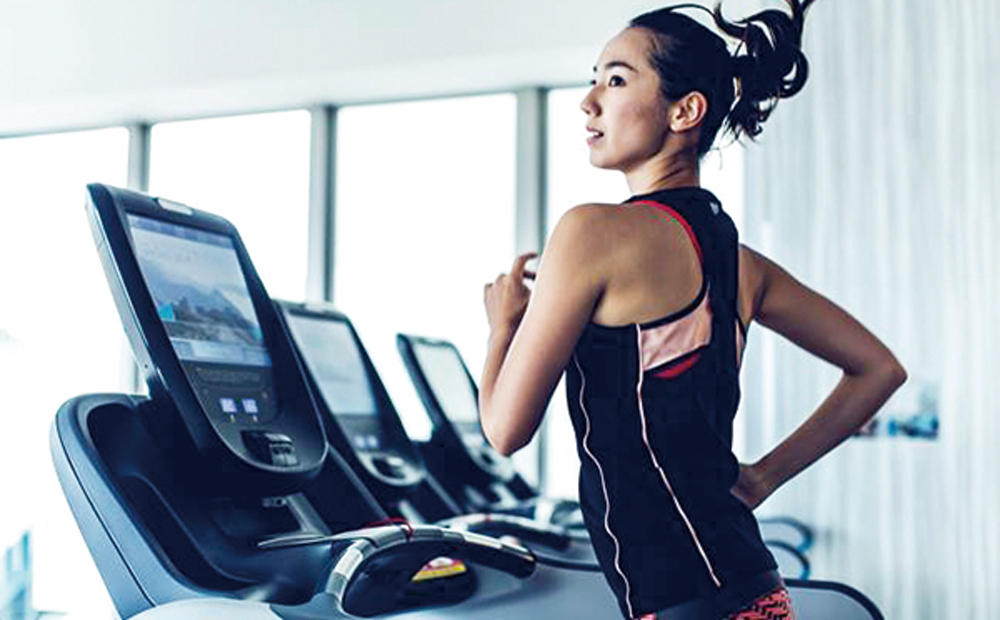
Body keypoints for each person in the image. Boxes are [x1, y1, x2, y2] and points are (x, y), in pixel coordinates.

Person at [478, 2, 907, 619]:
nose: (588, 101)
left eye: (616, 79)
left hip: (683, 602)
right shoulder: (740, 261)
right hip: (755, 589)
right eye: (594, 77)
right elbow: (879, 368)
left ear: (685, 111)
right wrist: (761, 478)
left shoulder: (589, 233)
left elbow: (504, 430)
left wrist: (503, 327)